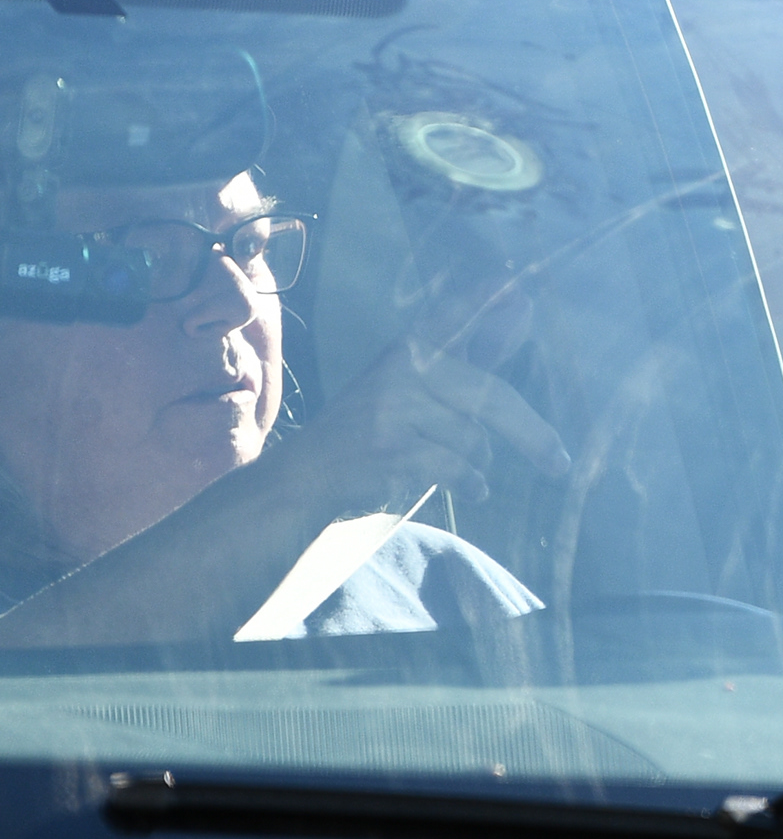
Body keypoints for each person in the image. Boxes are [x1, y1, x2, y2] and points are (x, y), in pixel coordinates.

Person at [0, 52, 562, 642]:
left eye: (249, 248)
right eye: (146, 260)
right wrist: (303, 486)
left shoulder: (442, 594)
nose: (237, 302)